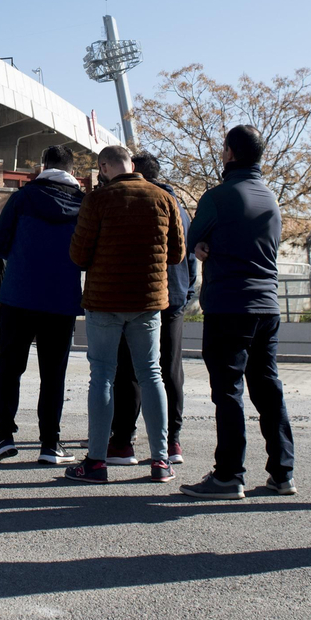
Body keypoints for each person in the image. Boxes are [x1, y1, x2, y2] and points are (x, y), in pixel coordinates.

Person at [178, 125, 294, 500]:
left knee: (228, 391)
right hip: (267, 306)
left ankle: (229, 474)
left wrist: (205, 243)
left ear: (228, 153)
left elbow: (190, 239)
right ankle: (282, 473)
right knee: (268, 389)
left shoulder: (219, 196)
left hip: (229, 305)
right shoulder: (271, 198)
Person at [65, 145, 184, 485]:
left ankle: (96, 462)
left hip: (105, 300)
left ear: (104, 167)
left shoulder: (97, 200)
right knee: (151, 375)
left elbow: (79, 253)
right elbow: (176, 253)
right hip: (147, 302)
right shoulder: (163, 198)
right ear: (132, 164)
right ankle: (161, 460)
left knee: (102, 376)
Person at [0, 143, 86, 464]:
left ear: (43, 165)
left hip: (19, 295)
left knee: (10, 367)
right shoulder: (84, 204)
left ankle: (4, 436)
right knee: (53, 373)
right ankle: (50, 443)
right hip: (61, 298)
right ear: (72, 171)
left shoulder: (22, 198)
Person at [108, 151, 198, 466]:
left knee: (130, 369)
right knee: (169, 370)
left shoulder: (140, 202)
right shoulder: (182, 211)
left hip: (140, 298)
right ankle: (172, 442)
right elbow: (189, 260)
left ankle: (123, 441)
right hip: (173, 298)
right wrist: (184, 294)